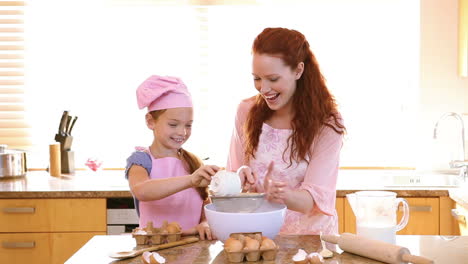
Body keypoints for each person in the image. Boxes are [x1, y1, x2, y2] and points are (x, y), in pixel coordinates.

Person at [227, 27, 346, 235]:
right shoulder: (245, 111)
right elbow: (232, 179)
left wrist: (281, 194)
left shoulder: (326, 123)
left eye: (273, 79)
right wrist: (238, 178)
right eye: (257, 78)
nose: (263, 89)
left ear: (298, 71)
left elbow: (314, 200)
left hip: (310, 241)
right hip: (259, 236)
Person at [126, 75, 220, 240]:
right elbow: (142, 190)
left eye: (188, 125)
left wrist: (205, 222)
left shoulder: (192, 161)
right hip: (155, 247)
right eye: (173, 124)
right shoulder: (142, 160)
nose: (182, 132)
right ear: (150, 121)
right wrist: (190, 180)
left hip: (192, 246)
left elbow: (205, 201)